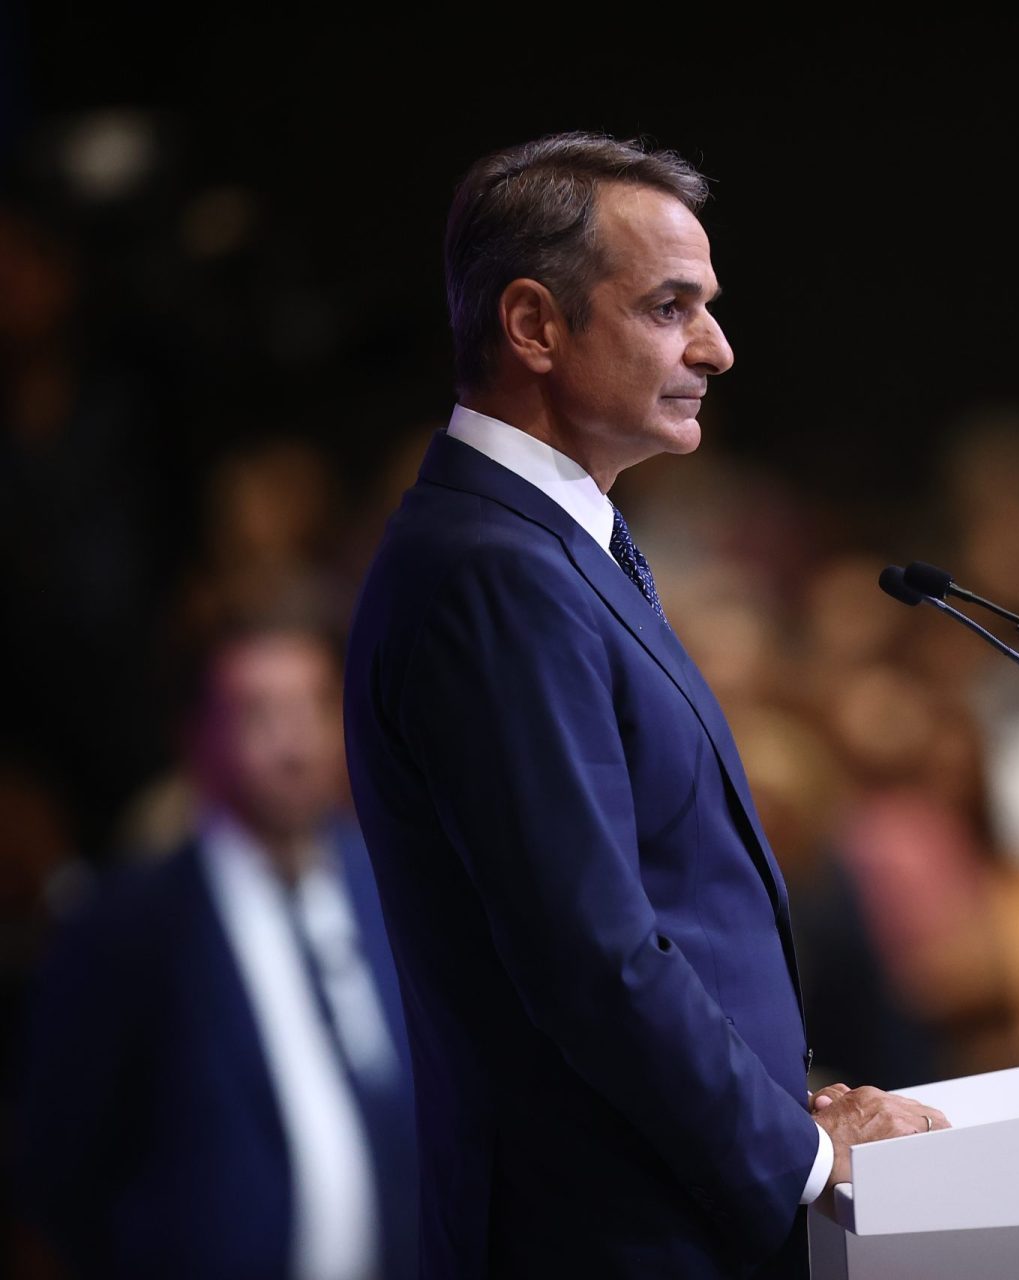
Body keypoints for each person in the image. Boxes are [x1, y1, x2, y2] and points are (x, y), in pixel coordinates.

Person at [342, 132, 945, 1278]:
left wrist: (786, 1112)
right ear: (534, 324)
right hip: (606, 1237)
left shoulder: (546, 546)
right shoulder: (493, 574)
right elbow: (590, 950)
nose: (717, 347)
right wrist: (802, 1153)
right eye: (671, 307)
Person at [12, 615, 418, 1279]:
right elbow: (63, 1170)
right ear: (194, 734)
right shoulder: (127, 927)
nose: (294, 746)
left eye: (312, 707)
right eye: (259, 714)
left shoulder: (390, 885)